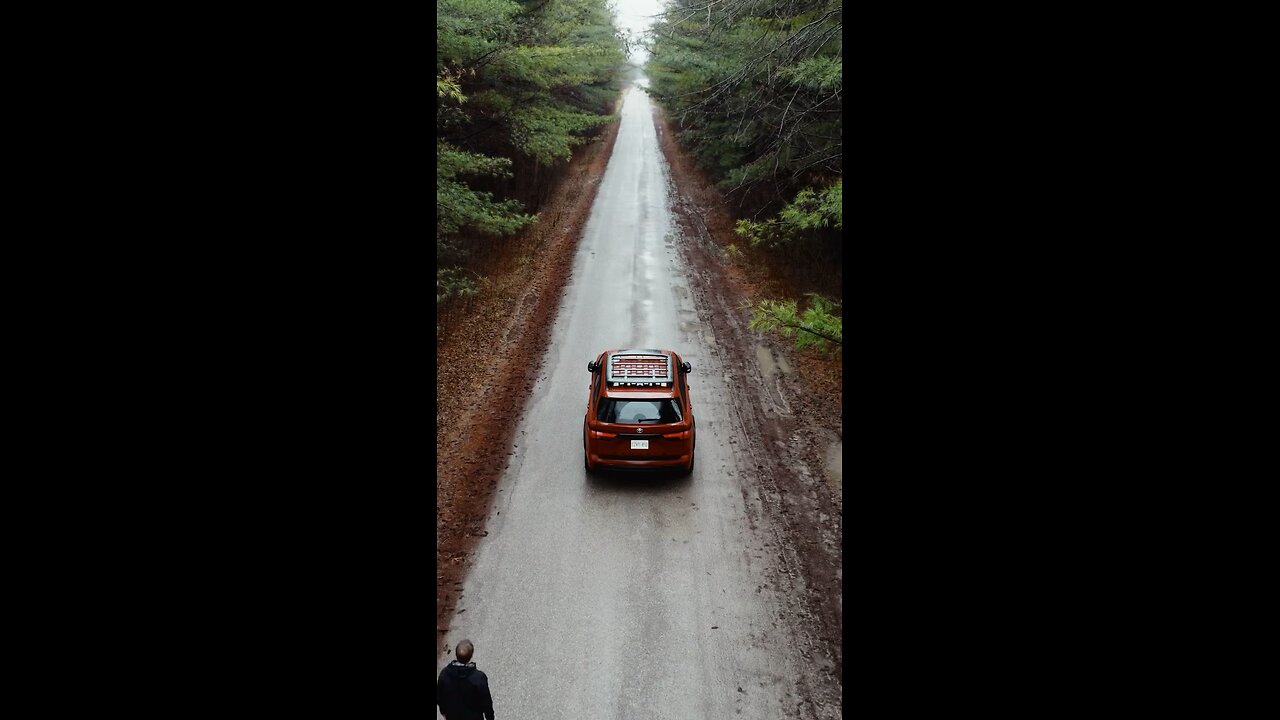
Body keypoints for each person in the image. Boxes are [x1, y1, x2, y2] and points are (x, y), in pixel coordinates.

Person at [437, 639, 495, 720]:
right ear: (471, 656)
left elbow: (439, 697)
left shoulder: (444, 674)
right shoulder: (478, 678)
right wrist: (490, 717)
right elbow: (486, 702)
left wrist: (444, 712)